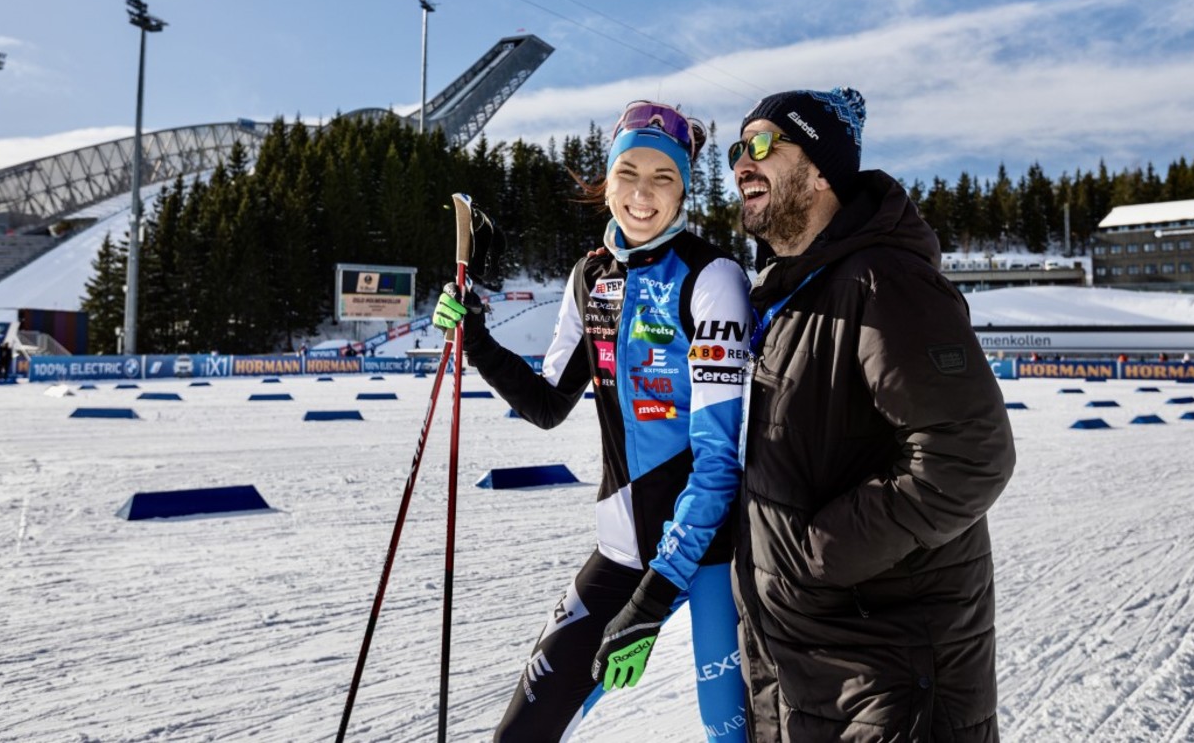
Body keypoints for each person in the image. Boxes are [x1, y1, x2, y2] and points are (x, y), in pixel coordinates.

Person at [434, 100, 752, 742]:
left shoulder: (712, 277)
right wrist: (477, 339)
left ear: (685, 189)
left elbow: (719, 462)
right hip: (623, 548)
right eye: (628, 172)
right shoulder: (590, 277)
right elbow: (549, 402)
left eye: (663, 177)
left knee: (733, 735)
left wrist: (655, 596)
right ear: (605, 181)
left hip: (714, 554)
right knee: (521, 734)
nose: (642, 193)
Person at [727, 86, 1017, 741]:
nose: (742, 162)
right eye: (735, 150)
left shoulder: (884, 278)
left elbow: (971, 455)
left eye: (764, 144)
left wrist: (813, 555)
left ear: (823, 170)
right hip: (813, 674)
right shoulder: (794, 294)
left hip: (889, 681)